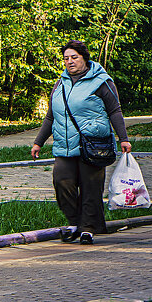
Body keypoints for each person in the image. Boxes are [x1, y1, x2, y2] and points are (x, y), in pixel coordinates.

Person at [30, 40, 132, 245]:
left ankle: (87, 229)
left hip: (93, 144)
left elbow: (114, 110)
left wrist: (124, 138)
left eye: (74, 57)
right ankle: (75, 222)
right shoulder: (60, 83)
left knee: (90, 188)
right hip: (65, 145)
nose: (69, 62)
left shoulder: (101, 81)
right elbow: (51, 116)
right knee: (62, 182)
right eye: (66, 58)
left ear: (85, 58)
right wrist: (38, 142)